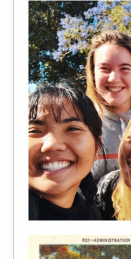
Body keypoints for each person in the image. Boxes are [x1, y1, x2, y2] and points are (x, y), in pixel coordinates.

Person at [86, 30, 131, 181]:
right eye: (104, 68)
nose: (114, 78)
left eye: (124, 68)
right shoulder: (81, 124)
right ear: (93, 75)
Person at [28, 82, 104, 220]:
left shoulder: (92, 215)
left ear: (97, 147)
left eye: (72, 129)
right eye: (34, 131)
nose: (52, 144)